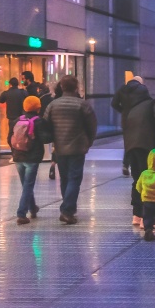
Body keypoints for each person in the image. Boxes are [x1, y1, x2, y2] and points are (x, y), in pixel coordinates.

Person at [112, 76, 155, 227]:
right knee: (149, 179)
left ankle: (137, 215)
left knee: (137, 180)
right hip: (146, 146)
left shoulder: (130, 110)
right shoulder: (152, 104)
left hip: (131, 147)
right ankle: (146, 217)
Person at [42, 76, 97, 225]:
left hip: (60, 147)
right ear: (76, 87)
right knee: (74, 179)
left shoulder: (53, 105)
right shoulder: (82, 105)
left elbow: (45, 124)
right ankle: (67, 210)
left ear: (62, 87)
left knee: (65, 178)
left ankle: (68, 209)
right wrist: (89, 142)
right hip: (78, 147)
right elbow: (92, 126)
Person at [11, 96, 46, 225]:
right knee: (28, 185)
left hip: (18, 157)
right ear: (38, 107)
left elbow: (10, 138)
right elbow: (45, 138)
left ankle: (33, 208)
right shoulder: (39, 121)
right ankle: (21, 213)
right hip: (32, 158)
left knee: (26, 185)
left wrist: (16, 151)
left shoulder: (17, 120)